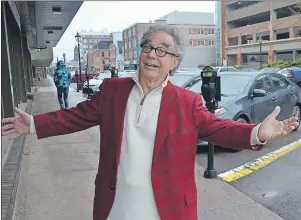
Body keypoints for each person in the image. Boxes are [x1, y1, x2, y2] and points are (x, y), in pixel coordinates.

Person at [1, 25, 299, 220]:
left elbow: (219, 129)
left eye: (161, 50)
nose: (151, 55)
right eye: (147, 47)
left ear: (174, 62)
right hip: (116, 204)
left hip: (167, 208)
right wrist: (35, 123)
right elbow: (76, 116)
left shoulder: (187, 102)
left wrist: (258, 132)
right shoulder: (113, 91)